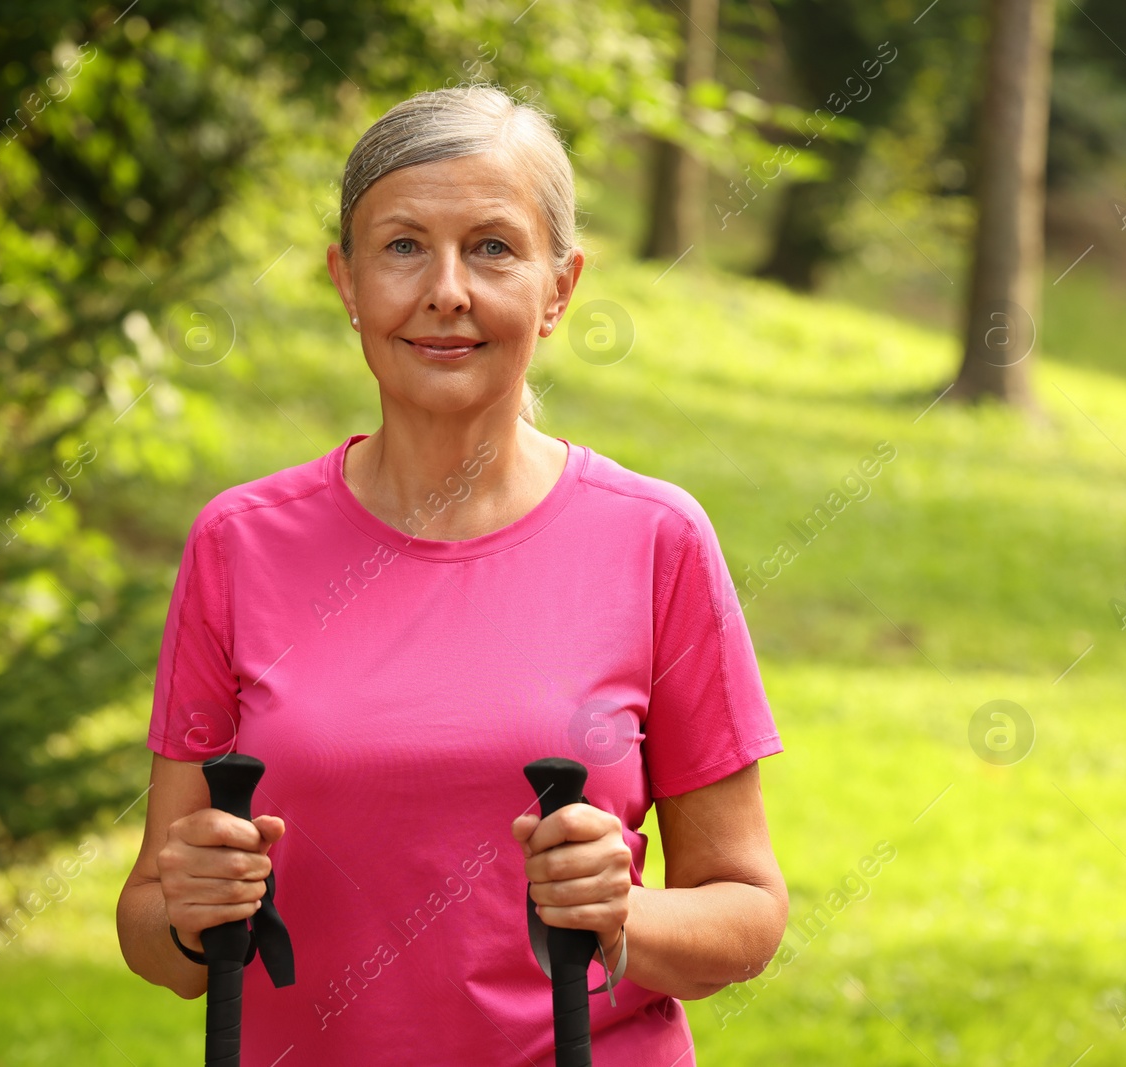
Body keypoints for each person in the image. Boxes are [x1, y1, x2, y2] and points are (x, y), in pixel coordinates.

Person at [116, 83, 788, 1065]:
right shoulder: (238, 542)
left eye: (492, 247)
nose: (445, 290)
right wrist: (189, 909)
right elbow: (156, 936)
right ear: (345, 282)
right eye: (401, 247)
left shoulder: (654, 539)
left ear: (559, 287)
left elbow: (748, 912)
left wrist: (622, 912)